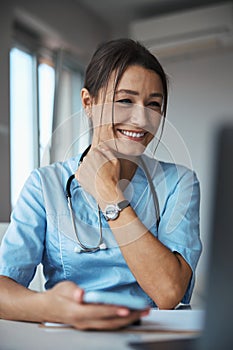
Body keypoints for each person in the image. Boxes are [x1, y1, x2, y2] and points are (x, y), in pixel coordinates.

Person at [0, 38, 202, 330]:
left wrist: (109, 193)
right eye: (125, 100)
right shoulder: (45, 185)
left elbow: (168, 293)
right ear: (88, 103)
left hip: (149, 338)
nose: (141, 118)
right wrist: (53, 308)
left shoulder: (179, 183)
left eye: (154, 104)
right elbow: (4, 288)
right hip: (69, 337)